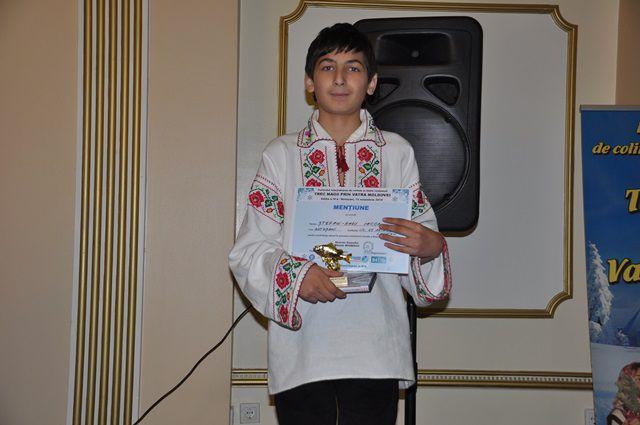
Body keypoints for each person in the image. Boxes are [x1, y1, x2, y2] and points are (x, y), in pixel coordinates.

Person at [229, 23, 451, 425]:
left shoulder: (397, 154)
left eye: (353, 67)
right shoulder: (281, 155)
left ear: (372, 83)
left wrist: (430, 247)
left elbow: (421, 238)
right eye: (328, 67)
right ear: (309, 82)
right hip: (303, 349)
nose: (340, 78)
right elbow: (249, 250)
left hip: (375, 347)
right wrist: (298, 276)